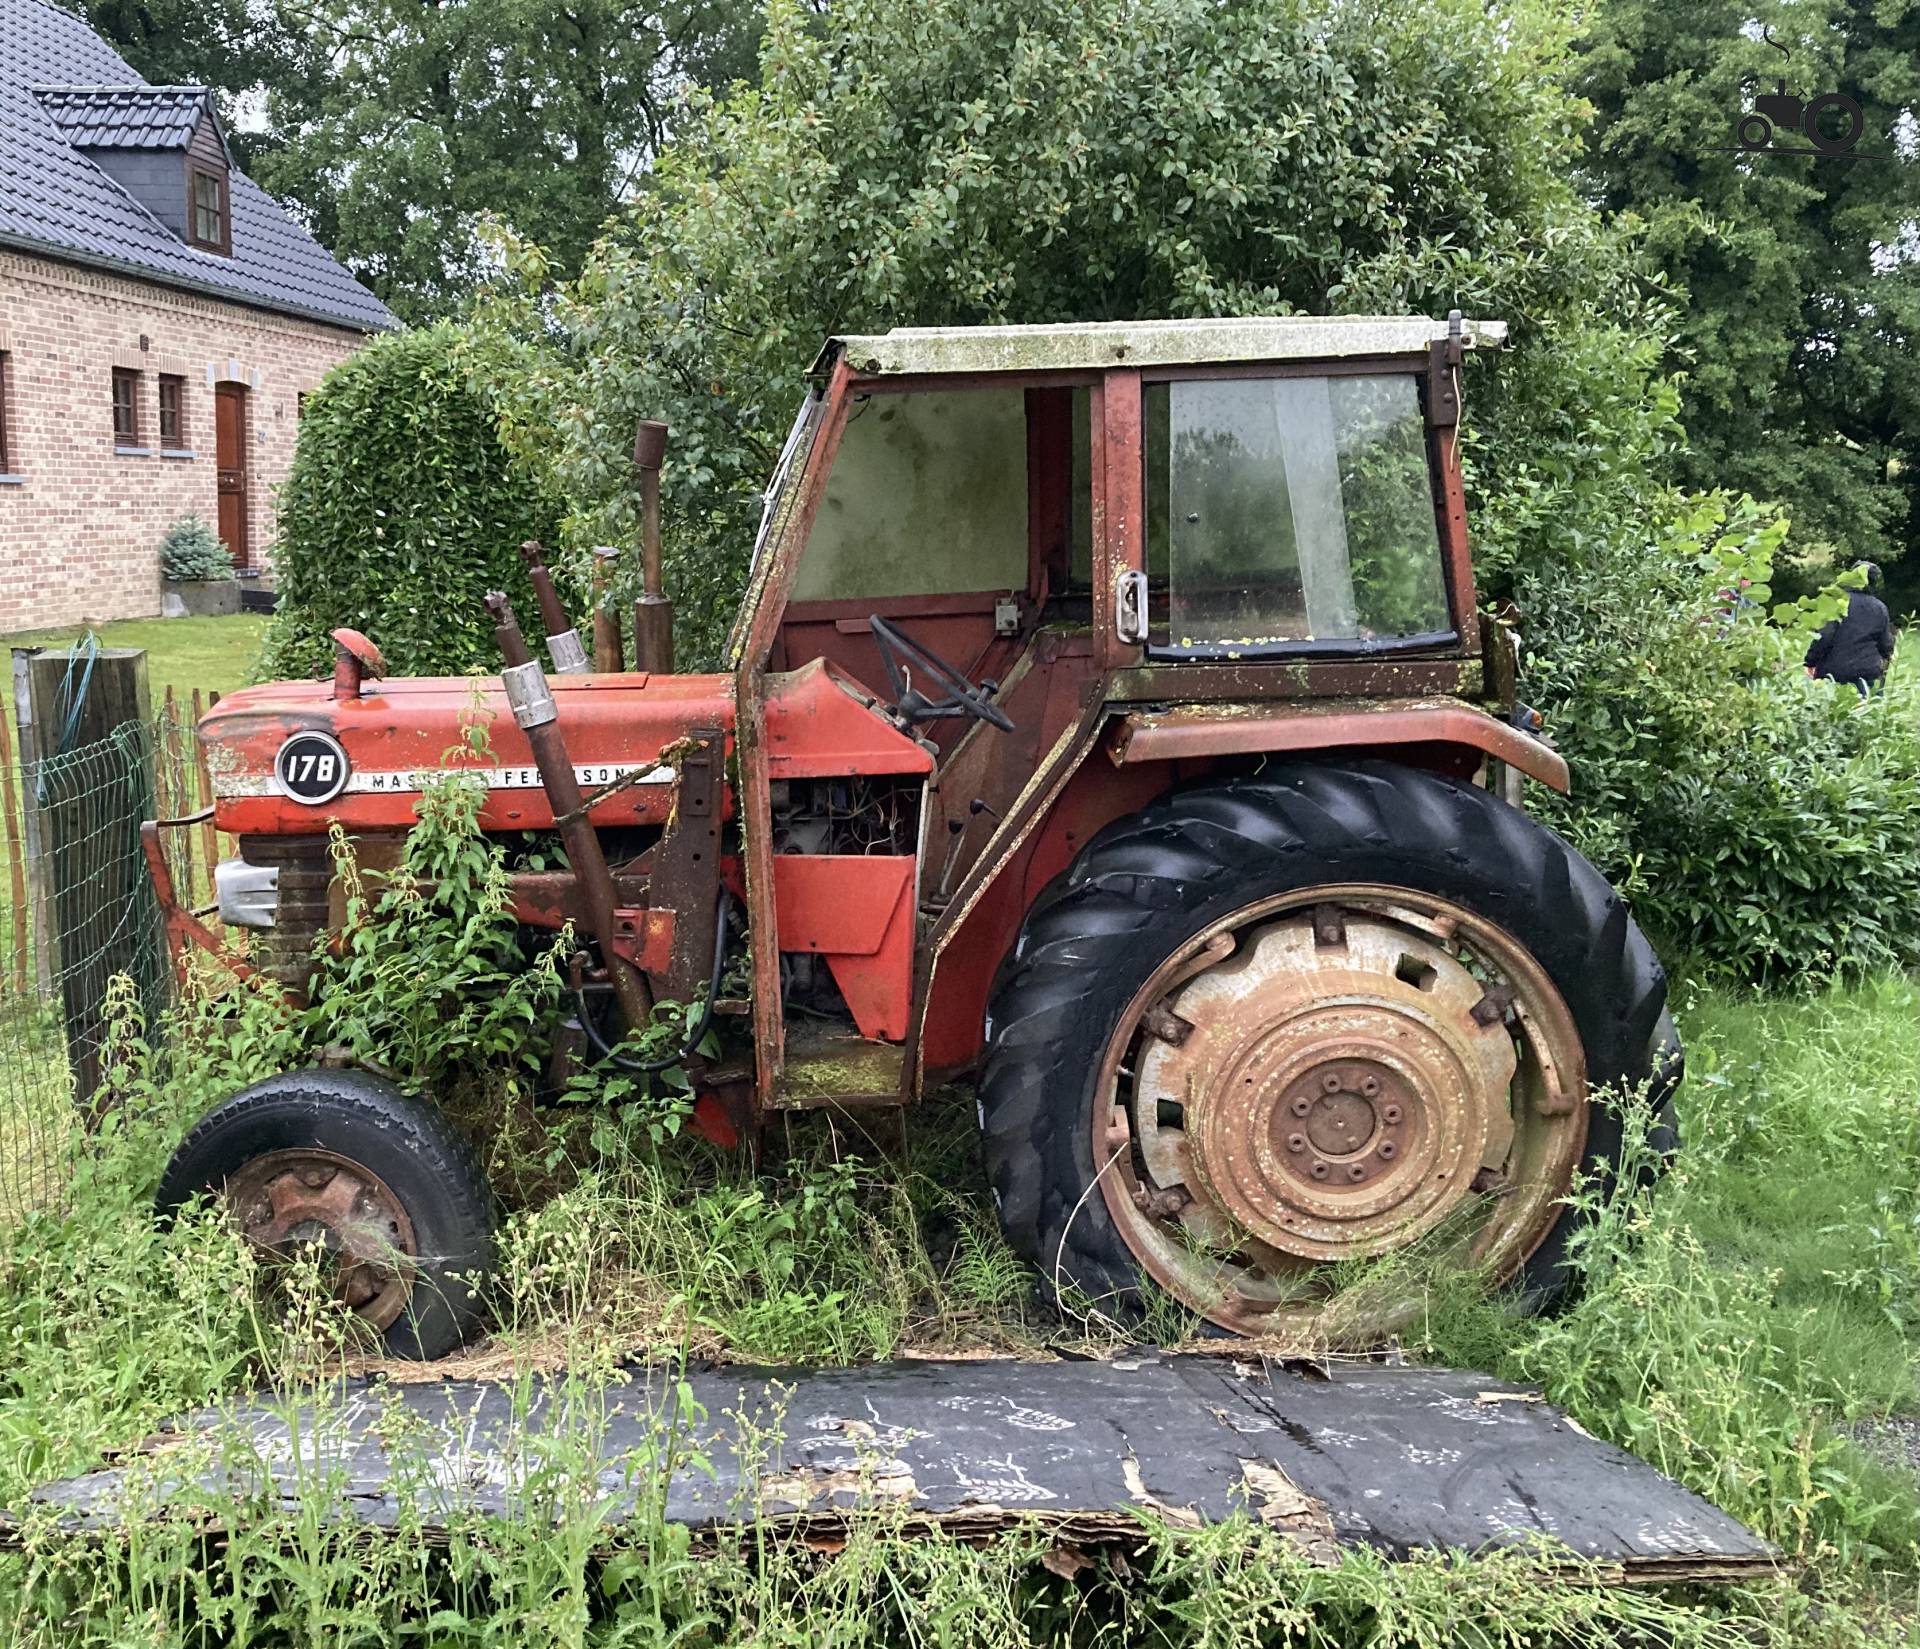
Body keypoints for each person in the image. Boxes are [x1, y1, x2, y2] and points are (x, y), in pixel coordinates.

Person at [1805, 561, 1895, 695]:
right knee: (1868, 713)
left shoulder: (1838, 601)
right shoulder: (1880, 608)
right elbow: (1885, 644)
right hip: (1867, 673)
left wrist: (1810, 661)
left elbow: (1824, 635)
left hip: (1834, 672)